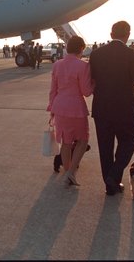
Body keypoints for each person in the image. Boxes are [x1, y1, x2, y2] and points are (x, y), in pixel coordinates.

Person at [89, 21, 134, 196]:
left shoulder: (96, 54)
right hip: (125, 109)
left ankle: (110, 186)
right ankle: (114, 176)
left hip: (102, 108)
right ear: (128, 34)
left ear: (111, 34)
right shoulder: (133, 54)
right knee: (128, 142)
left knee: (105, 148)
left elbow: (93, 78)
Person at [47, 36, 93, 186]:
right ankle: (71, 172)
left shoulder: (57, 65)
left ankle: (67, 171)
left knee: (66, 142)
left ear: (67, 48)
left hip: (59, 107)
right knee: (82, 140)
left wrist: (51, 108)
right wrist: (95, 83)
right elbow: (86, 91)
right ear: (81, 49)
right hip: (76, 108)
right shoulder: (83, 66)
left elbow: (53, 90)